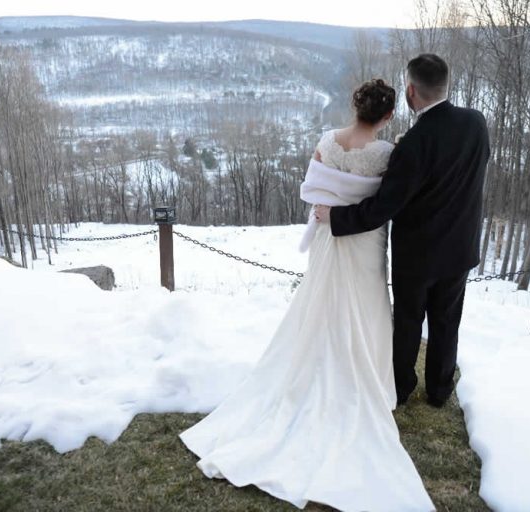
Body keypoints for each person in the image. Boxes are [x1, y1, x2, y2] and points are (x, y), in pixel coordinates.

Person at [180, 79, 435, 512]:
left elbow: (313, 190)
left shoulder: (326, 142)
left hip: (327, 239)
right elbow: (383, 203)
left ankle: (315, 367)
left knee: (320, 304)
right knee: (368, 310)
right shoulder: (388, 155)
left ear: (355, 107)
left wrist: (329, 208)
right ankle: (365, 376)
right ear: (388, 115)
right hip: (363, 242)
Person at [315, 54, 490, 408]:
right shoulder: (476, 123)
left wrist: (335, 218)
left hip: (418, 254)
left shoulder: (412, 143)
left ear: (411, 91)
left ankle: (401, 387)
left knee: (409, 323)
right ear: (445, 84)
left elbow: (383, 208)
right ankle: (440, 391)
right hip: (460, 247)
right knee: (447, 321)